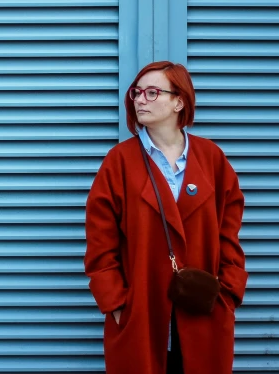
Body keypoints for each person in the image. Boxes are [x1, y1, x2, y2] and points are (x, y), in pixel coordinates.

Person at [84, 61, 247, 374]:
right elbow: (99, 241)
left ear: (179, 101)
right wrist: (117, 304)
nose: (140, 99)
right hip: (141, 312)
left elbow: (230, 230)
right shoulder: (119, 162)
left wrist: (228, 291)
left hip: (204, 309)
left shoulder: (211, 158)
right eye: (136, 92)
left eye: (152, 92)